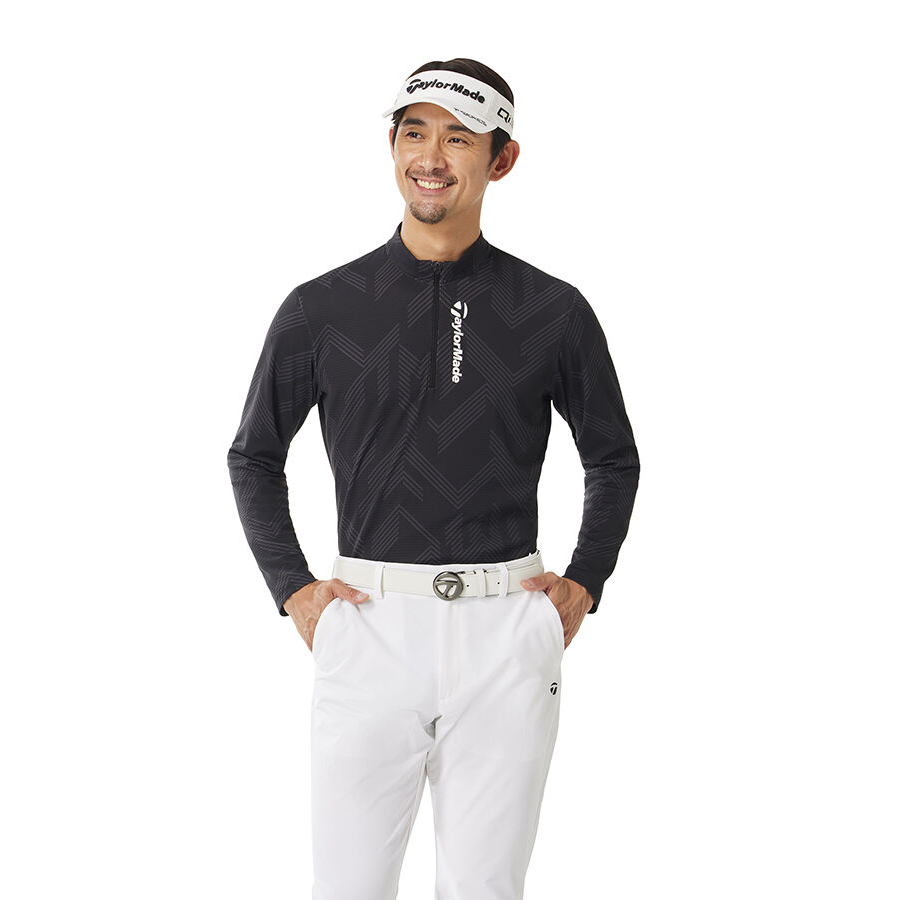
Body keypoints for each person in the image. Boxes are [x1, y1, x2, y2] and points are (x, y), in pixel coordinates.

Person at [227, 57, 640, 900]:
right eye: (414, 133)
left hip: (508, 631)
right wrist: (293, 589)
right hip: (367, 624)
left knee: (486, 890)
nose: (431, 157)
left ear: (501, 159)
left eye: (459, 138)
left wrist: (586, 582)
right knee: (348, 888)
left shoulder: (552, 310)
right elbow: (254, 455)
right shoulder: (322, 308)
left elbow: (613, 457)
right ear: (392, 146)